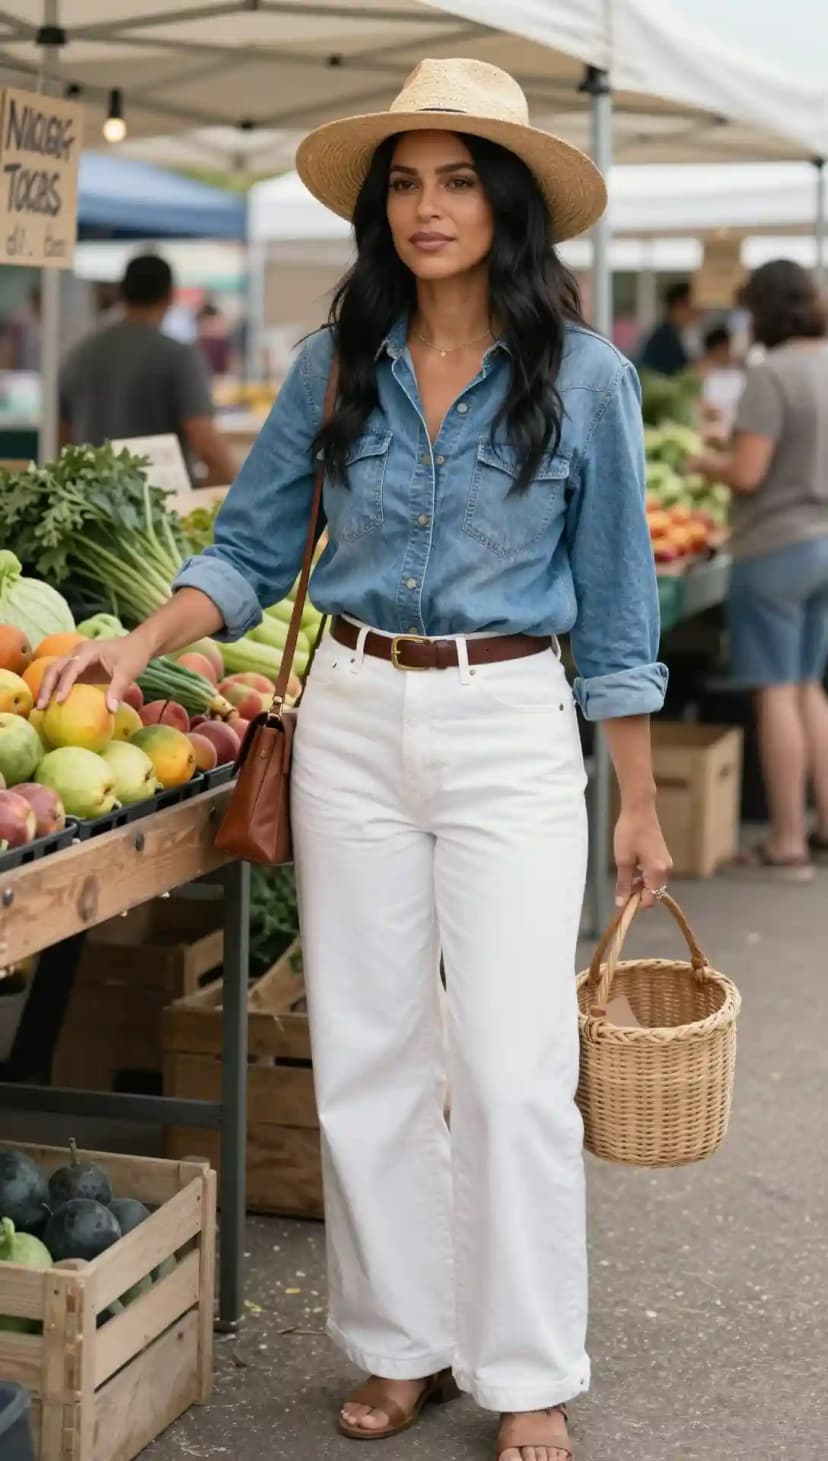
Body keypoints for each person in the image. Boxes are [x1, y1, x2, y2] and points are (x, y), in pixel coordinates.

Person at [40, 59, 671, 1461]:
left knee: (509, 1069)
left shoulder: (587, 379)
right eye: (405, 183)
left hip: (509, 723)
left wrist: (637, 799)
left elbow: (621, 607)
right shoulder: (339, 363)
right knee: (369, 1057)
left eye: (458, 182)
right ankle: (402, 1345)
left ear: (508, 206)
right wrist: (139, 644)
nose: (427, 208)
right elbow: (252, 548)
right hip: (351, 715)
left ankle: (529, 1368)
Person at [687, 259, 828, 878]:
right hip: (823, 541)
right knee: (808, 686)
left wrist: (703, 463)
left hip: (774, 549)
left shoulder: (772, 374)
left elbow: (748, 473)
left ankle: (787, 842)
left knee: (775, 691)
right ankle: (823, 825)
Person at [58, 255, 235, 485]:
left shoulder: (80, 353)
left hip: (92, 496)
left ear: (121, 293)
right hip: (160, 499)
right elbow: (204, 439)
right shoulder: (179, 357)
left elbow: (63, 436)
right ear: (170, 296)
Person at [638, 280, 698, 377]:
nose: (697, 311)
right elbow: (672, 376)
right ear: (680, 304)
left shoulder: (674, 335)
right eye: (693, 305)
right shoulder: (664, 338)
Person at [697, 323, 745, 437]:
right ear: (711, 351)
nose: (724, 353)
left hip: (733, 430)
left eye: (726, 348)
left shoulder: (740, 376)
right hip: (707, 430)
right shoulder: (700, 374)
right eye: (720, 349)